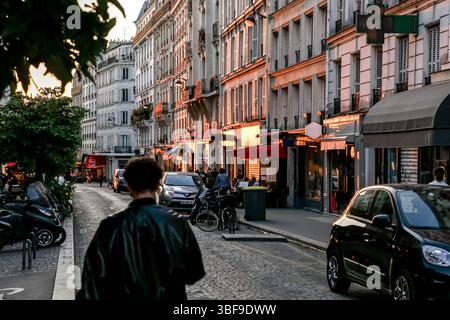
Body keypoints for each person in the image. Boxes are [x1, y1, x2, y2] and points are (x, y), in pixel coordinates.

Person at [76, 158, 205, 300]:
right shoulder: (177, 223)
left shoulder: (110, 226)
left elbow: (93, 278)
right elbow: (194, 272)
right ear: (158, 185)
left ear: (129, 186)